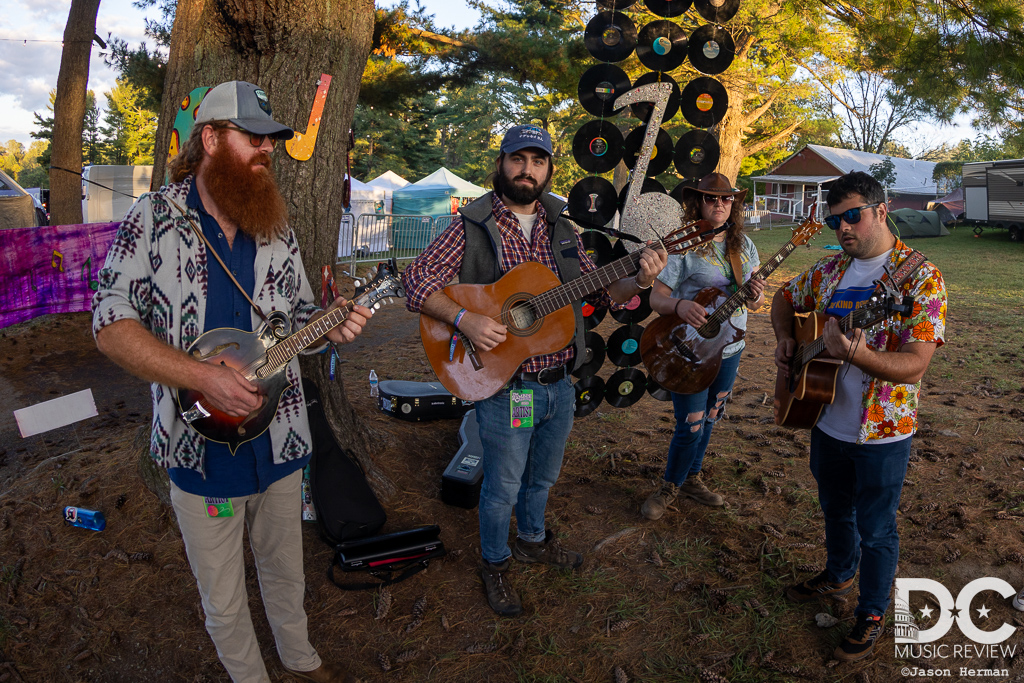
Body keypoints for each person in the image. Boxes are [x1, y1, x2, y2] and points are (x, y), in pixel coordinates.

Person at [92, 80, 368, 683]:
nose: (268, 149)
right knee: (222, 594)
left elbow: (296, 321)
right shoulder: (153, 219)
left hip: (283, 443)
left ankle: (300, 659)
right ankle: (251, 677)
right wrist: (200, 378)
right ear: (211, 138)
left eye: (272, 139)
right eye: (255, 136)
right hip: (198, 448)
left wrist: (333, 327)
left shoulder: (274, 225)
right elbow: (109, 322)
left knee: (284, 568)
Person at [403, 124, 666, 617]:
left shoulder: (561, 228)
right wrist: (466, 319)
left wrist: (640, 276)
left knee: (541, 479)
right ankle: (495, 563)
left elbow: (605, 290)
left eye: (538, 161)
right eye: (518, 159)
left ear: (549, 170)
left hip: (559, 384)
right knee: (502, 483)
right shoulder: (472, 224)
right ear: (501, 163)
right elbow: (415, 282)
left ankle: (531, 540)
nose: (528, 170)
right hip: (508, 387)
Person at [771, 171, 946, 662]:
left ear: (881, 210)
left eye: (853, 216)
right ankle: (838, 570)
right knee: (834, 508)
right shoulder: (829, 272)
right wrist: (786, 339)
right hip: (826, 419)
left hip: (883, 432)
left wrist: (857, 355)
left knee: (877, 527)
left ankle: (871, 610)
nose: (843, 228)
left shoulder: (919, 279)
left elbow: (914, 365)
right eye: (834, 221)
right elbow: (784, 299)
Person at [641, 173, 765, 519]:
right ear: (697, 203)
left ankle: (692, 478)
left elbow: (755, 301)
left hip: (730, 346)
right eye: (712, 199)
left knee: (711, 416)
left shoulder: (745, 246)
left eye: (726, 199)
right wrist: (680, 306)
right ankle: (669, 486)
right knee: (691, 421)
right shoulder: (684, 245)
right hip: (689, 347)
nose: (720, 205)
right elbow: (657, 297)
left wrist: (756, 295)